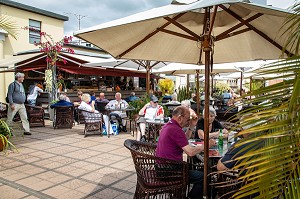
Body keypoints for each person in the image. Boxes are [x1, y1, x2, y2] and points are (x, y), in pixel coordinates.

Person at [156, 106, 216, 199]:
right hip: (170, 171)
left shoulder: (169, 125)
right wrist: (206, 145)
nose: (188, 122)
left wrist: (191, 126)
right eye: (187, 120)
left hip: (162, 168)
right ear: (180, 118)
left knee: (201, 172)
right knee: (204, 177)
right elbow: (191, 152)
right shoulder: (175, 130)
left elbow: (183, 139)